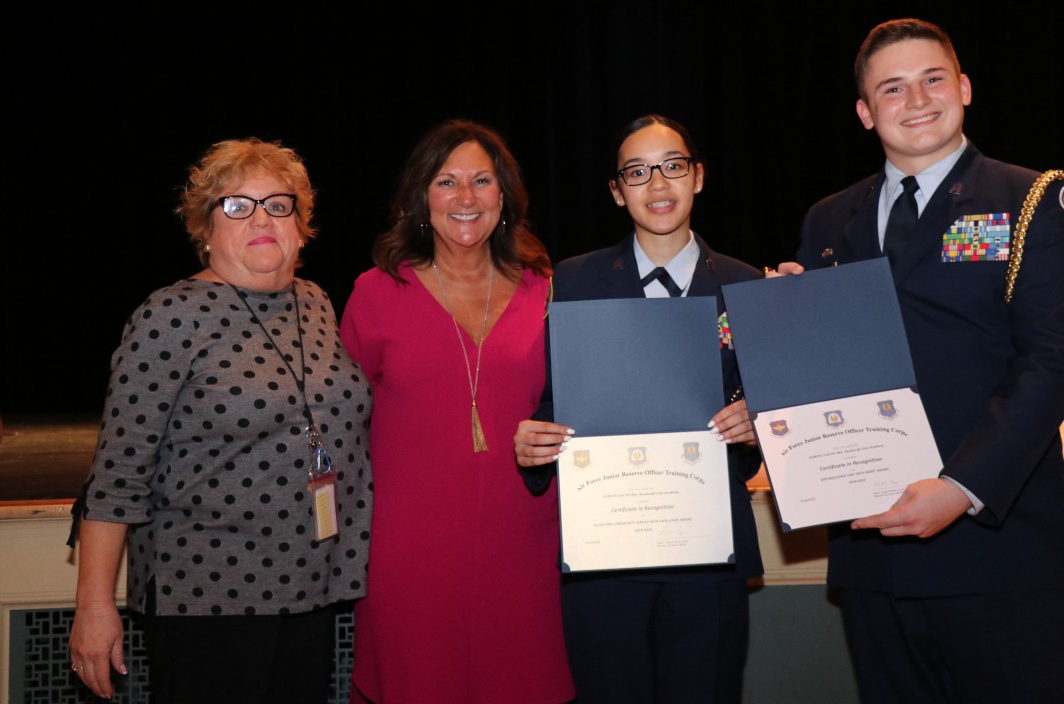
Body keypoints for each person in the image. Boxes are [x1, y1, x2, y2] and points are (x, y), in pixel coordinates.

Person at [779, 18, 1064, 703]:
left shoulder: (1033, 199)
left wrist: (961, 485)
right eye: (892, 89)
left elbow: (1052, 365)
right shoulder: (830, 220)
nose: (916, 99)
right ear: (866, 113)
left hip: (1000, 554)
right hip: (873, 560)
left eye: (932, 79)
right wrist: (787, 333)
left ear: (965, 87)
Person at [67, 137, 374, 703]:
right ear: (205, 230)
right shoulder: (169, 315)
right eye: (237, 206)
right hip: (208, 594)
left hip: (311, 586)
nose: (262, 218)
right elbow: (116, 477)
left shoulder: (316, 302)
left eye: (279, 205)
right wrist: (93, 606)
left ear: (302, 225)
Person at [514, 114, 764, 704]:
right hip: (607, 554)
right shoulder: (573, 280)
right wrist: (533, 447)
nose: (658, 185)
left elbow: (780, 420)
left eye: (673, 167)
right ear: (616, 190)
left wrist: (761, 418)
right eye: (638, 172)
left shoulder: (746, 284)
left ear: (697, 178)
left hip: (709, 552)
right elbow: (558, 400)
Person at [339, 119, 574, 704]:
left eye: (482, 181)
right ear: (422, 198)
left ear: (504, 197)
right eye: (447, 182)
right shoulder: (375, 291)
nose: (465, 198)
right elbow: (339, 425)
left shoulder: (550, 290)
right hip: (408, 554)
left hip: (527, 548)